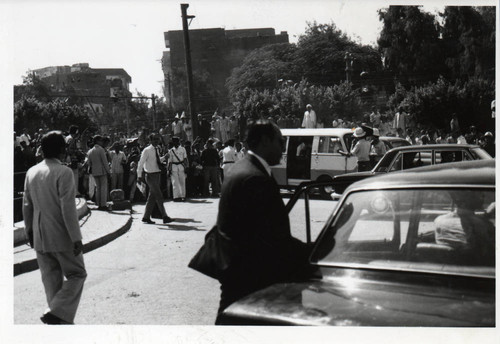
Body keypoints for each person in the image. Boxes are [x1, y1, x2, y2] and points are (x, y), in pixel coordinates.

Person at [213, 120, 311, 324]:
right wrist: (314, 252)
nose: (283, 148)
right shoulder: (255, 178)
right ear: (265, 141)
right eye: (280, 141)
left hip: (239, 279)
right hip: (252, 283)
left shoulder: (241, 169)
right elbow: (272, 239)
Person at [23, 131, 87, 324]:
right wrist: (76, 237)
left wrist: (29, 232)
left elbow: (27, 205)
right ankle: (56, 312)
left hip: (39, 236)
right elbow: (67, 207)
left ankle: (56, 318)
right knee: (77, 274)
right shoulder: (64, 172)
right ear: (62, 149)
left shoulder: (32, 172)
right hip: (61, 234)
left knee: (51, 280)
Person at [137, 134, 173, 224]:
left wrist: (164, 157)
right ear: (150, 140)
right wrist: (139, 175)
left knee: (152, 197)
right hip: (150, 175)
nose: (157, 141)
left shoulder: (156, 149)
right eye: (155, 140)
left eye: (157, 139)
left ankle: (146, 217)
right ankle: (164, 216)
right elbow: (141, 163)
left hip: (157, 175)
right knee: (159, 196)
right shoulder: (147, 150)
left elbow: (157, 161)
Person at [86, 135, 110, 210]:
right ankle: (103, 204)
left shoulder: (90, 151)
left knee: (98, 188)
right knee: (103, 188)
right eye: (101, 140)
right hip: (102, 171)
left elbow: (89, 163)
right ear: (98, 141)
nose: (102, 142)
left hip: (94, 171)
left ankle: (98, 204)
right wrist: (108, 171)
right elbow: (105, 162)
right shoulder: (101, 150)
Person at [168, 136, 188, 202]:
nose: (175, 143)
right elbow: (170, 161)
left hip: (181, 166)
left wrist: (186, 167)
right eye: (174, 141)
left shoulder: (182, 149)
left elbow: (185, 159)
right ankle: (176, 196)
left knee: (182, 181)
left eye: (176, 141)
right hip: (174, 166)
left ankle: (183, 196)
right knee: (175, 182)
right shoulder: (171, 151)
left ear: (178, 142)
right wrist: (169, 169)